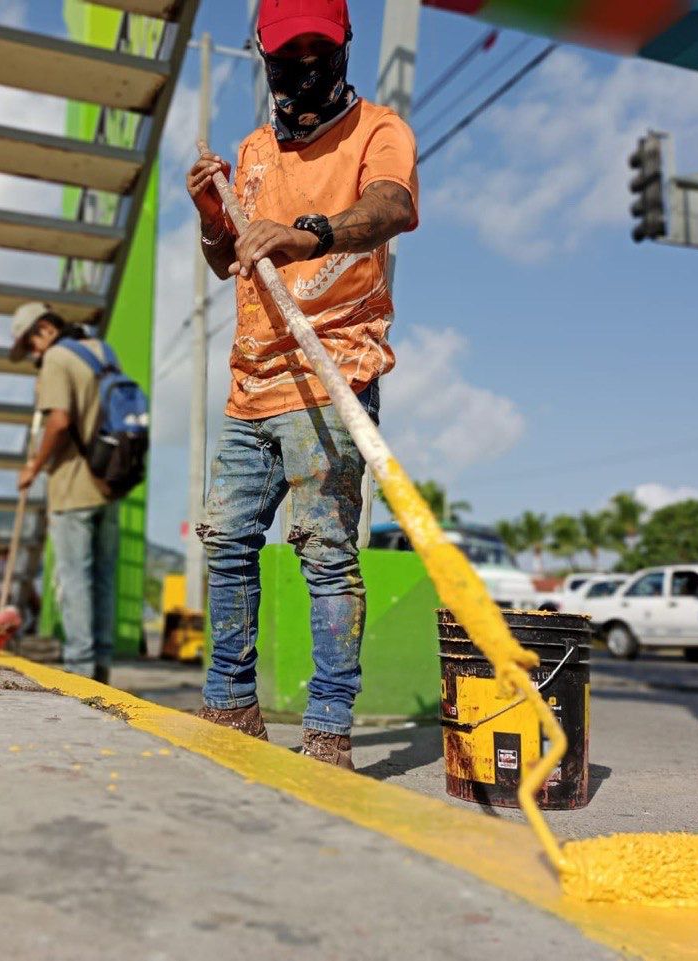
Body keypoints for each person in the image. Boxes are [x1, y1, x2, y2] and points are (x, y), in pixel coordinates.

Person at [184, 0, 419, 768]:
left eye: (321, 46)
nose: (306, 62)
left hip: (333, 372)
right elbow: (231, 262)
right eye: (291, 50)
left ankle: (327, 728)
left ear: (344, 44)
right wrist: (213, 217)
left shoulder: (379, 130)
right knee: (224, 538)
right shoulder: (253, 151)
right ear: (265, 53)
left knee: (323, 549)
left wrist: (308, 231)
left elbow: (393, 206)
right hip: (253, 379)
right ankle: (230, 704)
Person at [9, 301, 119, 684]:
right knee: (103, 579)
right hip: (108, 482)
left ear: (42, 330)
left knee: (74, 579)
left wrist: (32, 468)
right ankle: (100, 666)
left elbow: (59, 421)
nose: (33, 356)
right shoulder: (100, 350)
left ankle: (79, 668)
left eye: (30, 347)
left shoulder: (56, 358)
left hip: (73, 485)